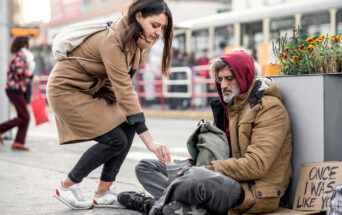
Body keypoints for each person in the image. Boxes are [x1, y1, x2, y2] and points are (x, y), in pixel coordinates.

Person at [117, 50, 292, 215]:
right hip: (217, 175)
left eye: (229, 78)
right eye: (221, 79)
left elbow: (257, 165)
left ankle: (154, 206)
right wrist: (192, 163)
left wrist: (206, 169)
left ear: (243, 77)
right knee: (147, 167)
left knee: (197, 177)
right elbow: (216, 152)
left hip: (252, 191)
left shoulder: (269, 109)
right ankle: (185, 206)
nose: (223, 85)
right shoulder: (228, 108)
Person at [47, 0, 172, 210]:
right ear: (139, 17)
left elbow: (123, 90)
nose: (159, 32)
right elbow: (124, 90)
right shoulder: (113, 40)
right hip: (67, 91)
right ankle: (67, 186)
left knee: (127, 125)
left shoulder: (134, 42)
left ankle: (103, 191)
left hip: (89, 90)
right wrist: (150, 142)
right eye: (155, 25)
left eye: (162, 28)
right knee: (114, 140)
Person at [0, 36, 39, 150]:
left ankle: (18, 141)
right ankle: (4, 131)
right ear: (24, 44)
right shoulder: (20, 55)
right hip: (14, 89)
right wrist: (31, 76)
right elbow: (18, 69)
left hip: (16, 89)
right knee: (25, 116)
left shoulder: (18, 54)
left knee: (23, 116)